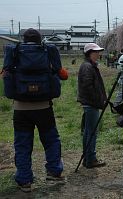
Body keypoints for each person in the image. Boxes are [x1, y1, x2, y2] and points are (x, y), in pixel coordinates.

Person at [7, 28, 64, 193]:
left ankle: (25, 181)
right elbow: (58, 70)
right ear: (40, 40)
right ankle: (54, 171)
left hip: (20, 108)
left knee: (23, 145)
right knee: (51, 140)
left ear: (24, 40)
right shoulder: (47, 49)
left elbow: (8, 71)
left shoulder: (17, 51)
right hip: (44, 106)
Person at [77, 43, 107, 168]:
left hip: (91, 104)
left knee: (89, 131)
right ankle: (91, 159)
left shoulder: (90, 66)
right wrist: (97, 100)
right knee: (91, 132)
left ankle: (88, 158)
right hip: (91, 104)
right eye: (96, 52)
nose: (98, 54)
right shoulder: (87, 67)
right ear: (89, 53)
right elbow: (87, 86)